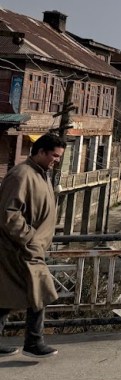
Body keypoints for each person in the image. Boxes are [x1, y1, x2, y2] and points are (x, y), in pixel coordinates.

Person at [0, 132, 63, 358]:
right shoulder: (21, 175)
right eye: (54, 156)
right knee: (41, 291)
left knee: (7, 297)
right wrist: (29, 237)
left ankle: (32, 342)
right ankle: (34, 342)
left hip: (29, 247)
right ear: (41, 152)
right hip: (22, 248)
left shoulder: (39, 173)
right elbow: (8, 213)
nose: (56, 160)